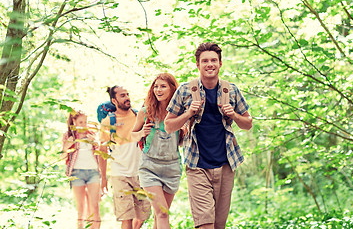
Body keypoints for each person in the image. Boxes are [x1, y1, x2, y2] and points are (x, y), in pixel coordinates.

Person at [165, 42, 253, 229]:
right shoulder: (185, 90)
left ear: (220, 63)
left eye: (214, 60)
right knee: (205, 224)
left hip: (226, 164)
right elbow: (168, 125)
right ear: (198, 65)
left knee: (219, 225)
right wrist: (188, 113)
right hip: (197, 165)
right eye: (205, 61)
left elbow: (248, 123)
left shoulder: (232, 90)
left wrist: (234, 115)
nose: (210, 64)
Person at [131, 73, 181, 229]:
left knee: (159, 216)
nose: (158, 90)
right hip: (149, 166)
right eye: (156, 86)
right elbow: (132, 136)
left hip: (172, 168)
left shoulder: (179, 112)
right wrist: (141, 133)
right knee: (163, 213)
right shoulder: (146, 111)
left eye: (163, 86)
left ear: (172, 89)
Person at [99, 86, 151, 229]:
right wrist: (103, 178)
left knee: (142, 216)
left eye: (127, 94)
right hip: (119, 174)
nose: (127, 97)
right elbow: (102, 151)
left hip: (140, 173)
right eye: (122, 95)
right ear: (114, 100)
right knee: (126, 217)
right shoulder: (108, 122)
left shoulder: (137, 115)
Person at [62, 110, 101, 229]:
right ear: (74, 122)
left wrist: (95, 142)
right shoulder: (69, 135)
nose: (84, 125)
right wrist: (67, 146)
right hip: (76, 173)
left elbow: (101, 154)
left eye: (86, 122)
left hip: (93, 172)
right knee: (81, 207)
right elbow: (63, 157)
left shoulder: (92, 133)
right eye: (81, 122)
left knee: (94, 205)